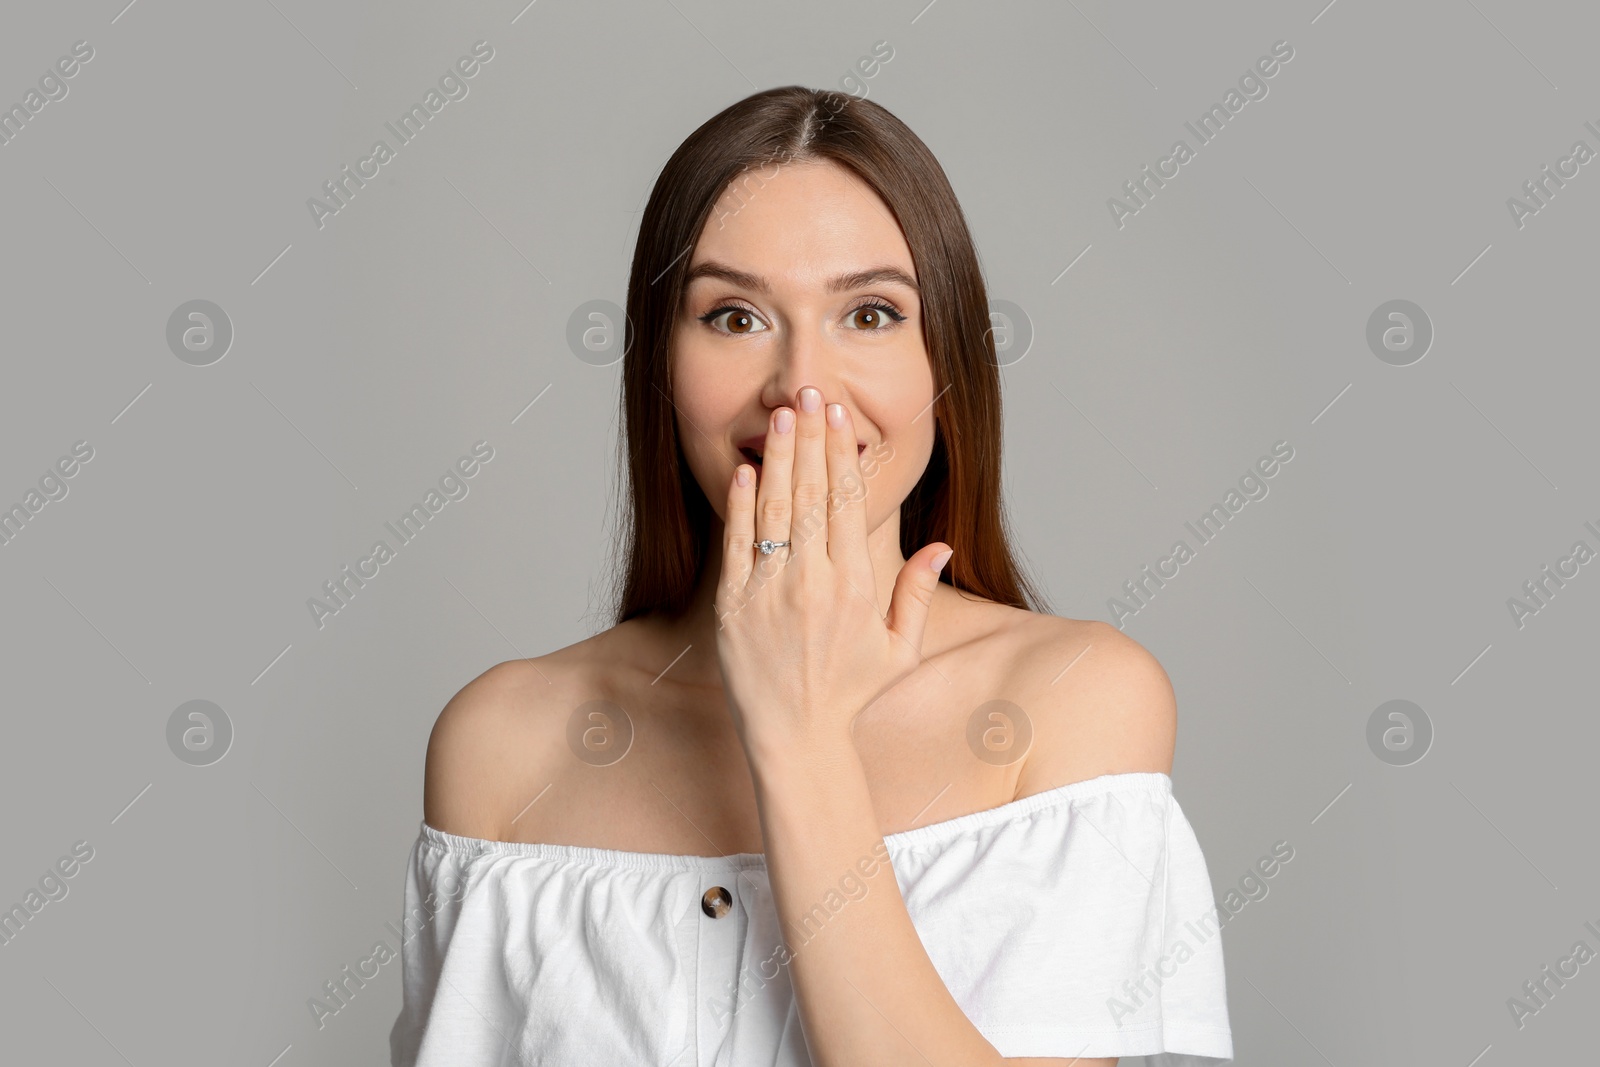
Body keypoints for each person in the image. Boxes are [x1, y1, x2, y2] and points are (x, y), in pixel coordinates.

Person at [391, 85, 1233, 1066]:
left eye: (870, 312)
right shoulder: (500, 743)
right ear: (659, 366)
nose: (802, 384)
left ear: (943, 364)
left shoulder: (1070, 702)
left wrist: (798, 731)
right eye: (734, 315)